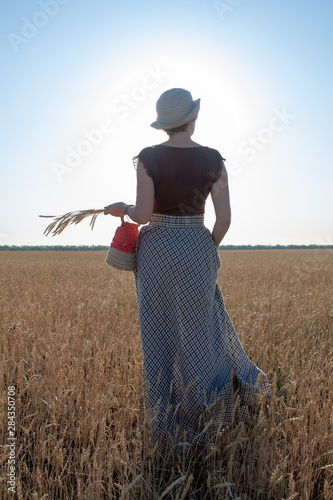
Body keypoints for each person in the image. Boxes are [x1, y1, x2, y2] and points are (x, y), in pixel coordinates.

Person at [104, 88, 271, 460]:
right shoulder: (213, 159)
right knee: (203, 333)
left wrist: (122, 207)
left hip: (157, 250)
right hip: (197, 244)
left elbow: (143, 214)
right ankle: (214, 416)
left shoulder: (148, 158)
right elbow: (224, 219)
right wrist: (206, 246)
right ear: (192, 118)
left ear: (164, 124)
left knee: (160, 335)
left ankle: (167, 423)